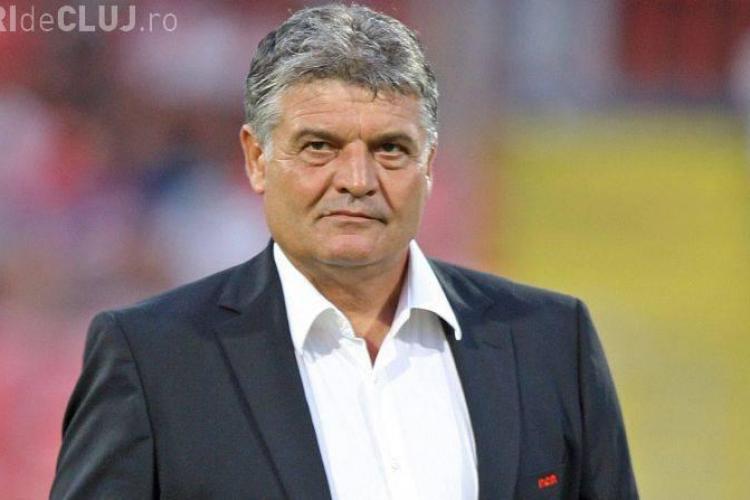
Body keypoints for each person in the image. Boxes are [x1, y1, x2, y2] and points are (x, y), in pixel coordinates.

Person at [51, 4, 638, 499]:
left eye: (390, 149)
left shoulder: (550, 340)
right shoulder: (153, 358)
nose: (357, 179)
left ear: (429, 166)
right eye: (319, 146)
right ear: (257, 159)